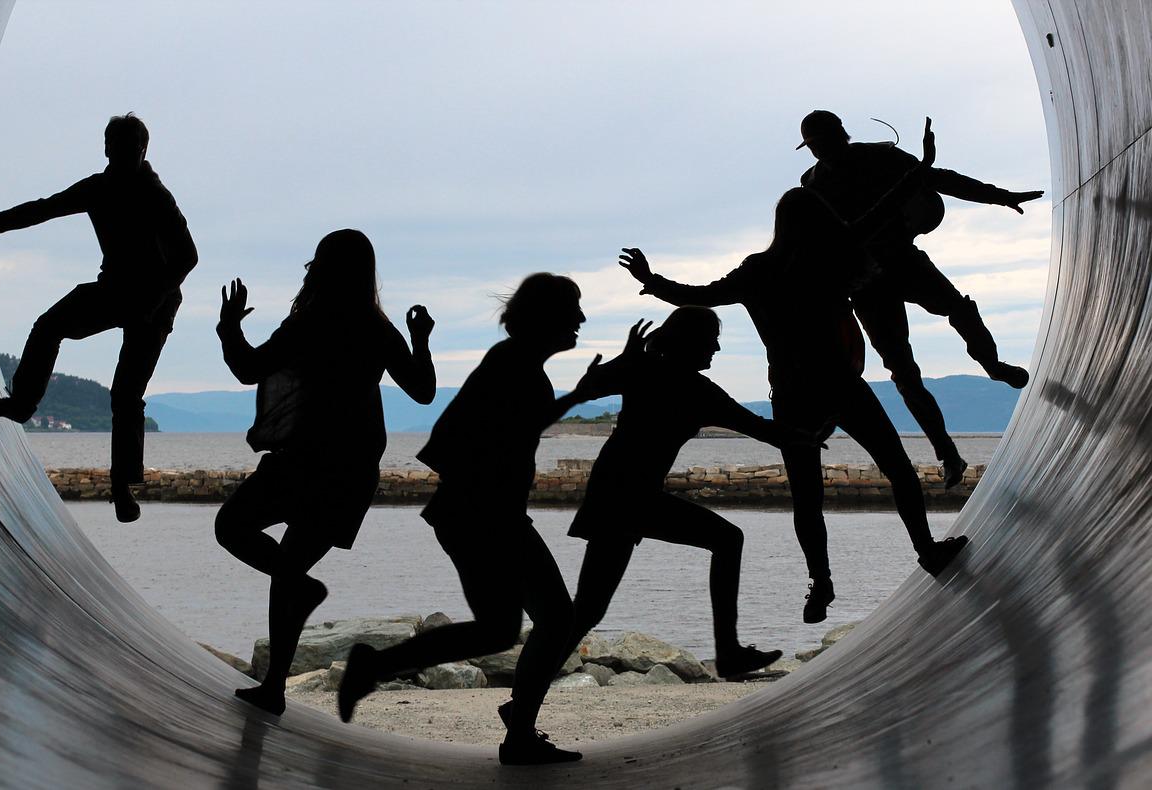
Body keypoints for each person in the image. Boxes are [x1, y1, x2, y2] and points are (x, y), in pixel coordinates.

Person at [621, 119, 968, 625]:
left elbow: (699, 295)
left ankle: (820, 584)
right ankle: (927, 550)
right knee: (895, 465)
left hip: (790, 393)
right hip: (841, 385)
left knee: (808, 496)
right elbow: (880, 212)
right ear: (818, 220)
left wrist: (652, 280)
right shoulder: (833, 260)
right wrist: (923, 171)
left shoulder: (756, 271)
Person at [338, 273, 606, 766]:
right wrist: (580, 396)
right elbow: (496, 430)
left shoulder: (516, 362)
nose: (582, 320)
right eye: (574, 309)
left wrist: (578, 396)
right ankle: (518, 728)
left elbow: (515, 423)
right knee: (553, 618)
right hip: (484, 516)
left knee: (500, 630)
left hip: (475, 515)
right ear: (547, 317)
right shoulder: (513, 363)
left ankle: (376, 667)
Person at [216, 229, 435, 717]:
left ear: (321, 268)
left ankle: (275, 681)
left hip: (302, 460)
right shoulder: (377, 329)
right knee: (289, 569)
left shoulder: (308, 322)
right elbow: (423, 390)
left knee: (232, 528)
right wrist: (420, 341)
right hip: (351, 469)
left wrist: (229, 327)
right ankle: (277, 672)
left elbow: (249, 369)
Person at [0, 113, 197, 522]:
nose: (118, 156)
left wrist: (153, 299)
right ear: (105, 149)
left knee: (126, 393)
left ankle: (122, 487)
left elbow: (188, 256)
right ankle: (22, 404)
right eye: (113, 149)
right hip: (114, 290)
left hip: (156, 303)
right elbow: (37, 211)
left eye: (127, 150)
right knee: (49, 326)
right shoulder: (98, 188)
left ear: (142, 151)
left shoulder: (156, 195)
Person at [564, 308, 816, 680]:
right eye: (711, 339)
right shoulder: (689, 387)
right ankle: (728, 654)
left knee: (588, 608)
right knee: (726, 540)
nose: (716, 347)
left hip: (618, 494)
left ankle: (528, 683)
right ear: (691, 341)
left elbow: (588, 388)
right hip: (626, 497)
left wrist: (624, 361)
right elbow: (762, 429)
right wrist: (804, 437)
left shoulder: (652, 371)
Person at [797, 109, 1043, 488]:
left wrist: (999, 196)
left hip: (903, 260)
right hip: (865, 285)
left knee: (959, 309)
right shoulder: (810, 184)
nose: (819, 152)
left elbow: (938, 179)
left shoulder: (882, 157)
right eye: (813, 147)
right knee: (904, 373)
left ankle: (993, 366)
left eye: (822, 142)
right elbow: (818, 246)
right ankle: (947, 453)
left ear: (842, 134)